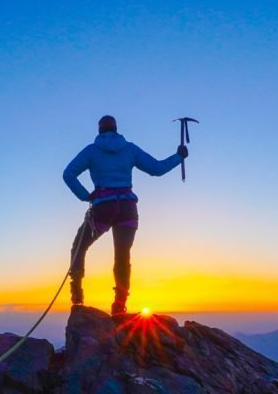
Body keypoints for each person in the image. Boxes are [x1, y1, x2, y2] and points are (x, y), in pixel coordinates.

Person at [62, 115, 188, 315]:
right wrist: (178, 157)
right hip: (128, 208)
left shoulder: (91, 151)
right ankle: (119, 304)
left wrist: (85, 195)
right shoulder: (130, 149)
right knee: (122, 256)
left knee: (79, 245)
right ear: (117, 129)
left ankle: (77, 293)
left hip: (103, 207)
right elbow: (156, 169)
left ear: (99, 131)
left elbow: (68, 174)